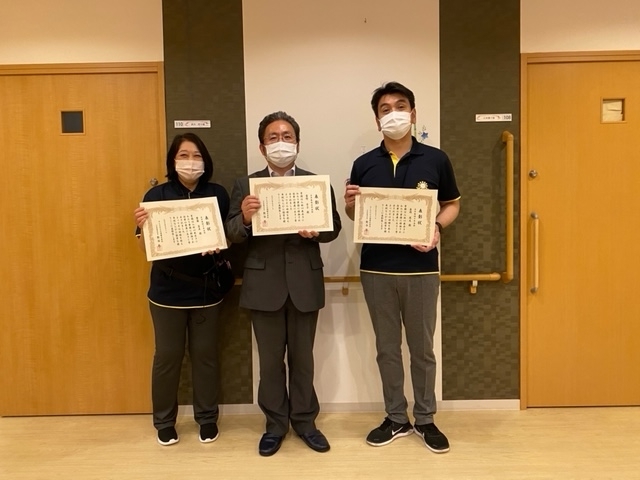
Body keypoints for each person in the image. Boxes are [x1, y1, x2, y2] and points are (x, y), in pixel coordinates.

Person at [344, 82, 460, 453]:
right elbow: (356, 215)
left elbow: (452, 204)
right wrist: (350, 205)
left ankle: (425, 419)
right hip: (377, 269)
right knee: (387, 349)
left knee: (422, 350)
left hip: (421, 269)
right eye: (385, 108)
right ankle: (396, 417)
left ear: (413, 113)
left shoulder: (435, 159)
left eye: (400, 106)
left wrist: (437, 227)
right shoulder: (364, 164)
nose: (393, 113)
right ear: (376, 119)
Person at [225, 111, 342, 456]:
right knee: (270, 362)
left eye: (287, 136)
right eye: (273, 137)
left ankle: (305, 422)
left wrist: (316, 231)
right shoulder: (245, 185)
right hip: (263, 285)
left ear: (298, 143)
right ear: (262, 147)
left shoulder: (316, 183)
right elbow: (231, 232)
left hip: (305, 282)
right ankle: (275, 425)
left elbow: (333, 227)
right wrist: (245, 218)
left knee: (304, 360)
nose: (281, 143)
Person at [133, 133, 230, 446]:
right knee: (167, 358)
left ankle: (207, 418)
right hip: (166, 293)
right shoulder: (156, 195)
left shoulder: (217, 194)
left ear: (206, 161)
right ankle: (164, 421)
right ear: (172, 161)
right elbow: (145, 246)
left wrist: (219, 245)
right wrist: (142, 227)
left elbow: (228, 236)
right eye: (183, 155)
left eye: (196, 155)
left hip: (207, 291)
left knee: (205, 356)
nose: (190, 162)